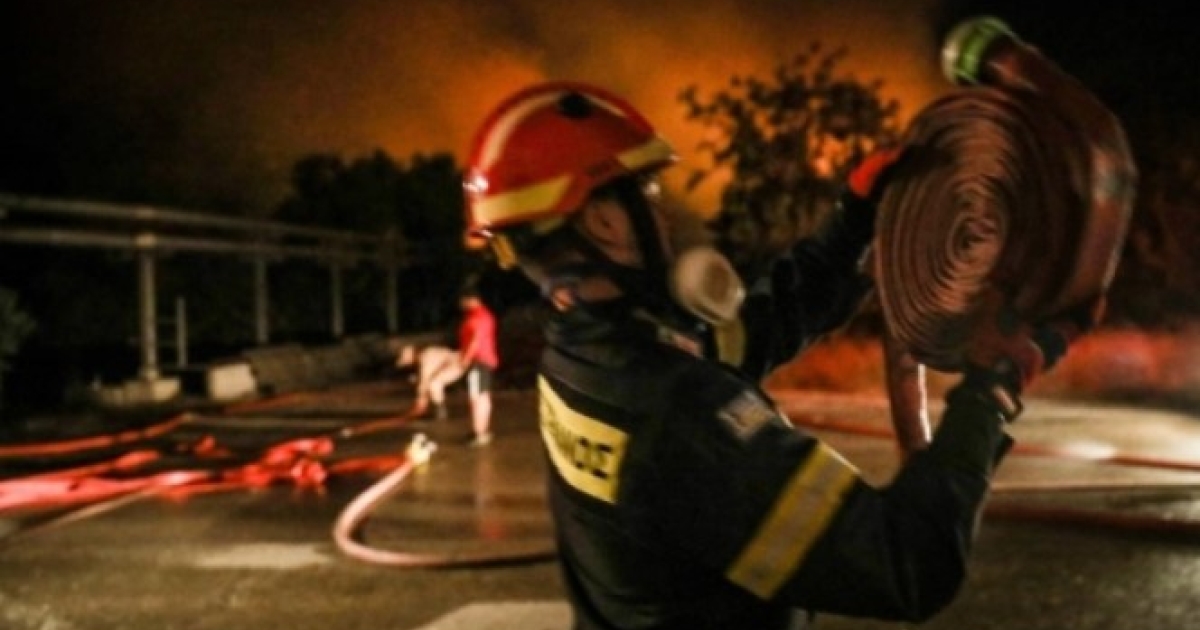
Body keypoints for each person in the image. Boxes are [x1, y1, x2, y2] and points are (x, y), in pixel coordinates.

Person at [462, 81, 1094, 629]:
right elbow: (906, 562)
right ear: (603, 220)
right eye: (646, 191)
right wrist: (990, 391)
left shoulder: (583, 356)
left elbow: (756, 331)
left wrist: (852, 224)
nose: (661, 214)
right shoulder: (681, 412)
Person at [457, 288, 500, 447]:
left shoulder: (478, 316)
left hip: (479, 361)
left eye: (462, 301)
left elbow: (476, 340)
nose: (461, 305)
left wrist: (466, 359)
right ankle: (481, 430)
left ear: (470, 300)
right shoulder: (482, 315)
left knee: (477, 397)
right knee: (482, 396)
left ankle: (479, 432)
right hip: (483, 361)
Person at [395, 343, 464, 420]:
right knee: (422, 380)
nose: (409, 365)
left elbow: (425, 380)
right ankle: (436, 407)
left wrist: (420, 401)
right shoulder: (425, 355)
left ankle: (440, 409)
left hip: (457, 364)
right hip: (451, 364)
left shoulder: (426, 358)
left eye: (408, 362)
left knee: (434, 383)